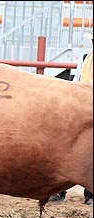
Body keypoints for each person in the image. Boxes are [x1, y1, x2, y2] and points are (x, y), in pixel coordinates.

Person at [49, 31, 93, 206]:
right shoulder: (85, 58)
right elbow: (75, 83)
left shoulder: (85, 58)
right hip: (82, 106)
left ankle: (89, 193)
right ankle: (58, 189)